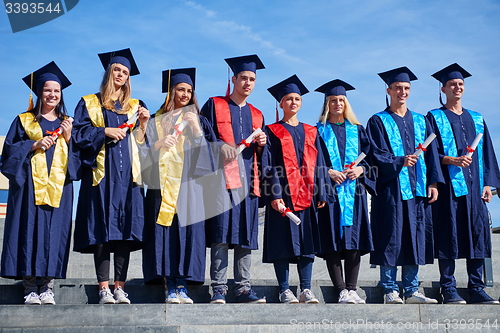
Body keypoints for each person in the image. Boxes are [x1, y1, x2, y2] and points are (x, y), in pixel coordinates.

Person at [72, 48, 150, 304]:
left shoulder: (137, 107)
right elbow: (78, 134)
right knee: (103, 230)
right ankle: (103, 287)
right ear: (109, 72)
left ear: (129, 78)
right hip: (101, 178)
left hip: (129, 178)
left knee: (125, 232)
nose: (121, 74)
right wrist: (104, 131)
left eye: (125, 72)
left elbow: (145, 144)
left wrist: (145, 125)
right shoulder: (89, 102)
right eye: (117, 69)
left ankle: (120, 287)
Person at [0, 61, 77, 305]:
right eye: (47, 90)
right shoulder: (24, 121)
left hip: (58, 190)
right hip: (29, 190)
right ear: (38, 93)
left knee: (54, 234)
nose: (52, 94)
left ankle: (48, 286)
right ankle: (30, 286)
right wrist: (33, 145)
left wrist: (68, 137)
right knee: (28, 231)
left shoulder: (67, 123)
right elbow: (8, 154)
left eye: (56, 90)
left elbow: (78, 163)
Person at [366, 67, 444, 304]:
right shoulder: (378, 120)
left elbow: (432, 155)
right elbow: (374, 154)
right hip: (391, 189)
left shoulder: (421, 120)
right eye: (398, 88)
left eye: (406, 88)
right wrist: (400, 161)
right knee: (389, 236)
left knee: (415, 237)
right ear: (388, 90)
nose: (402, 91)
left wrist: (433, 182)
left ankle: (411, 289)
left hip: (418, 189)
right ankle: (389, 288)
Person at [427, 63, 500, 304]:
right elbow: (429, 153)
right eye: (452, 84)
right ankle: (448, 288)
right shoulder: (434, 117)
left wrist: (489, 184)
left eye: (460, 84)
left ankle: (476, 287)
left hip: (475, 188)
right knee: (449, 234)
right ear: (443, 88)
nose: (457, 87)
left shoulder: (477, 119)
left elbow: (487, 152)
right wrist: (450, 160)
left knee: (478, 236)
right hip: (449, 189)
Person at [141, 68, 215, 304]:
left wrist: (195, 130)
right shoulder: (155, 121)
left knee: (186, 235)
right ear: (171, 91)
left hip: (189, 188)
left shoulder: (200, 120)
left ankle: (182, 284)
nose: (185, 94)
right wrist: (158, 144)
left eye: (189, 91)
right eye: (181, 89)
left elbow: (210, 160)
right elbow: (140, 157)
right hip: (160, 188)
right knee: (164, 235)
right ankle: (168, 285)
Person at [200, 54, 267, 304]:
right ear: (234, 79)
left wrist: (262, 144)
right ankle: (218, 288)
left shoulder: (258, 115)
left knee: (245, 236)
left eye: (252, 79)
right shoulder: (214, 104)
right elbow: (200, 136)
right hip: (220, 181)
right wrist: (218, 145)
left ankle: (243, 288)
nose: (248, 83)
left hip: (248, 182)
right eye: (244, 78)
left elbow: (263, 155)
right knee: (221, 234)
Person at [262, 74, 330, 304]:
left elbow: (320, 163)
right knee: (282, 242)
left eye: (297, 99)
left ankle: (305, 289)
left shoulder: (311, 131)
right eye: (288, 99)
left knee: (307, 242)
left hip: (307, 194)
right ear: (280, 103)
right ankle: (284, 290)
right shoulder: (272, 130)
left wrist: (322, 192)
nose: (293, 102)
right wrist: (274, 195)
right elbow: (267, 165)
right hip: (282, 197)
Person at [314, 79, 375, 304]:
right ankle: (341, 290)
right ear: (327, 103)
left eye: (341, 100)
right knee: (332, 239)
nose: (337, 103)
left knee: (354, 239)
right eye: (333, 100)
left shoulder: (358, 130)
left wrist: (360, 169)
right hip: (330, 193)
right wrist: (328, 172)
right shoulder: (318, 131)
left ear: (346, 103)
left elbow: (371, 157)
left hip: (354, 192)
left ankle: (352, 289)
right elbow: (312, 161)